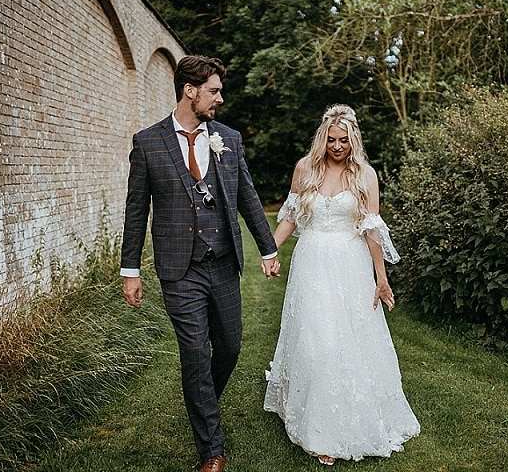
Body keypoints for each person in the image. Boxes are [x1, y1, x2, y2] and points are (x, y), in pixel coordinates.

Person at [120, 55, 280, 472]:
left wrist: (268, 248)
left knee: (228, 347)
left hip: (223, 264)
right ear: (190, 91)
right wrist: (130, 270)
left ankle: (201, 399)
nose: (220, 99)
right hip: (180, 269)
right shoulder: (148, 143)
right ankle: (212, 449)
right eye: (214, 91)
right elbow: (136, 210)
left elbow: (247, 196)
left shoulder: (228, 138)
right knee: (194, 352)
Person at [264, 104, 420, 466]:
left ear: (354, 139)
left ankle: (348, 420)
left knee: (348, 341)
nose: (337, 147)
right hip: (312, 262)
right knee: (316, 339)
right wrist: (271, 251)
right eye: (332, 140)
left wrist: (381, 278)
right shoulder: (306, 168)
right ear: (323, 138)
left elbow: (371, 230)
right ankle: (318, 425)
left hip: (350, 265)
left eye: (344, 141)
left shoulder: (365, 176)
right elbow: (290, 216)